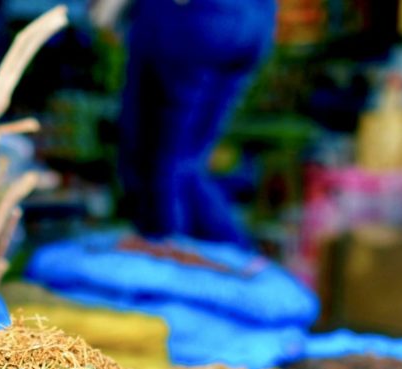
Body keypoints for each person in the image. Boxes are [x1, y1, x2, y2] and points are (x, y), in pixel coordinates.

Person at [95, 0, 277, 246]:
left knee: (153, 166)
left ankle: (170, 265)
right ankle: (240, 265)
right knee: (185, 164)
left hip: (193, 16)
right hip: (252, 20)